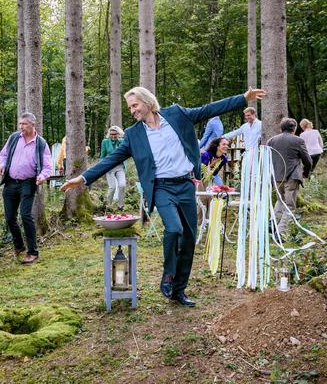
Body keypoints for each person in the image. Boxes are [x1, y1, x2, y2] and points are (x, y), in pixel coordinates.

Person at [61, 86, 265, 307]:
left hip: (186, 184)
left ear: (147, 102)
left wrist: (243, 98)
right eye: (130, 107)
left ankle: (179, 291)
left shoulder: (177, 114)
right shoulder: (133, 134)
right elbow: (111, 159)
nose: (132, 111)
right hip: (161, 188)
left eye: (135, 105)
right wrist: (82, 179)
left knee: (188, 239)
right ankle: (168, 275)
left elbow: (209, 109)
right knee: (174, 229)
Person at [0, 112, 53, 264]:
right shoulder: (14, 138)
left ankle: (33, 252)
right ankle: (19, 245)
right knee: (9, 217)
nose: (21, 127)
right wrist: (1, 165)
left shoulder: (41, 143)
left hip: (28, 183)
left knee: (26, 215)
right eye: (20, 124)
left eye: (24, 124)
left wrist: (42, 176)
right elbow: (3, 155)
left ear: (33, 125)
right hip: (10, 181)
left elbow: (48, 166)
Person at [267, 118, 312, 238]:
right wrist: (306, 173)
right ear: (295, 128)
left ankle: (273, 223)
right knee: (290, 205)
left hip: (276, 177)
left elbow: (268, 159)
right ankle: (281, 233)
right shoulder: (298, 141)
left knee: (280, 201)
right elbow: (308, 161)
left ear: (281, 128)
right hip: (292, 176)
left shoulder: (271, 141)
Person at [100, 126, 127, 210]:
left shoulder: (122, 141)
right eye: (111, 134)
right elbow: (102, 156)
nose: (113, 136)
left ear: (118, 134)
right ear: (109, 134)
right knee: (112, 187)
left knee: (122, 185)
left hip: (120, 166)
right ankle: (108, 206)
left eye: (115, 134)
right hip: (109, 167)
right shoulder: (105, 142)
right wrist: (102, 168)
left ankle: (121, 206)